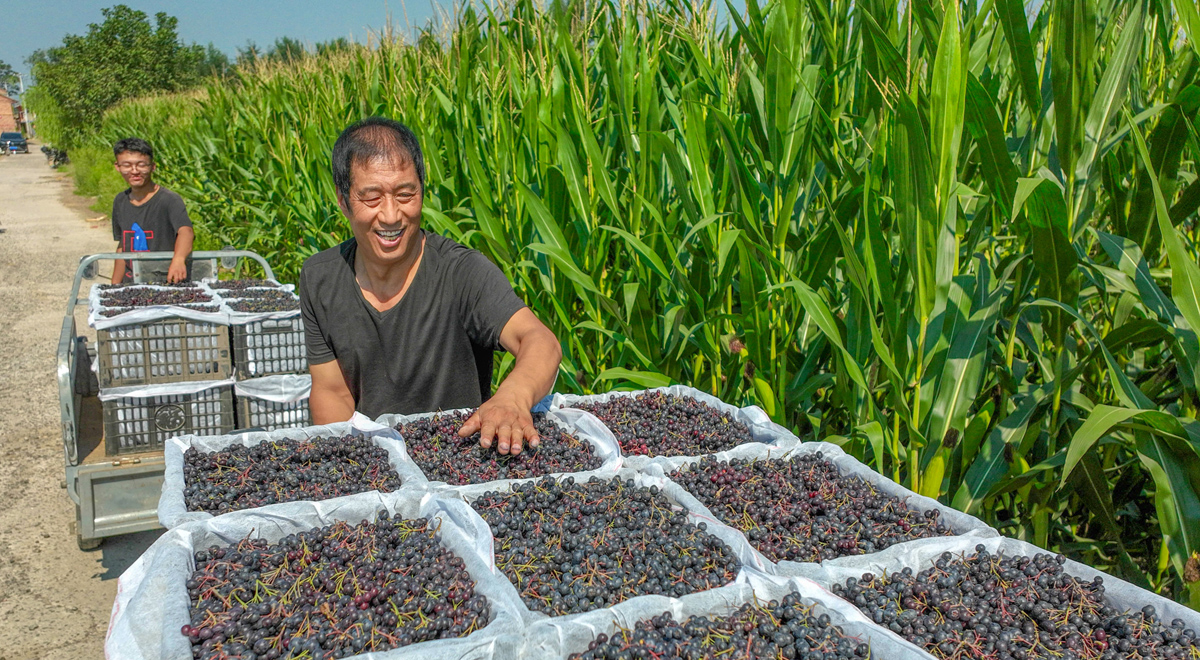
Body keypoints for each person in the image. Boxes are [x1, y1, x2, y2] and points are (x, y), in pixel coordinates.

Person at [300, 117, 562, 455]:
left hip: (458, 460)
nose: (391, 215)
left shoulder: (462, 273)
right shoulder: (320, 278)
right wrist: (343, 464)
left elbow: (540, 340)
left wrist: (513, 395)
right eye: (372, 198)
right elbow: (332, 392)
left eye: (405, 194)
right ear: (343, 200)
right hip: (378, 468)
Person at [109, 138, 195, 284]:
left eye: (141, 165)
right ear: (118, 167)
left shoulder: (169, 199)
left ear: (152, 166)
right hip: (132, 284)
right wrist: (114, 285)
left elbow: (186, 231)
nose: (135, 171)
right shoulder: (120, 201)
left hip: (165, 281)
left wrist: (179, 259)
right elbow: (123, 246)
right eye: (127, 165)